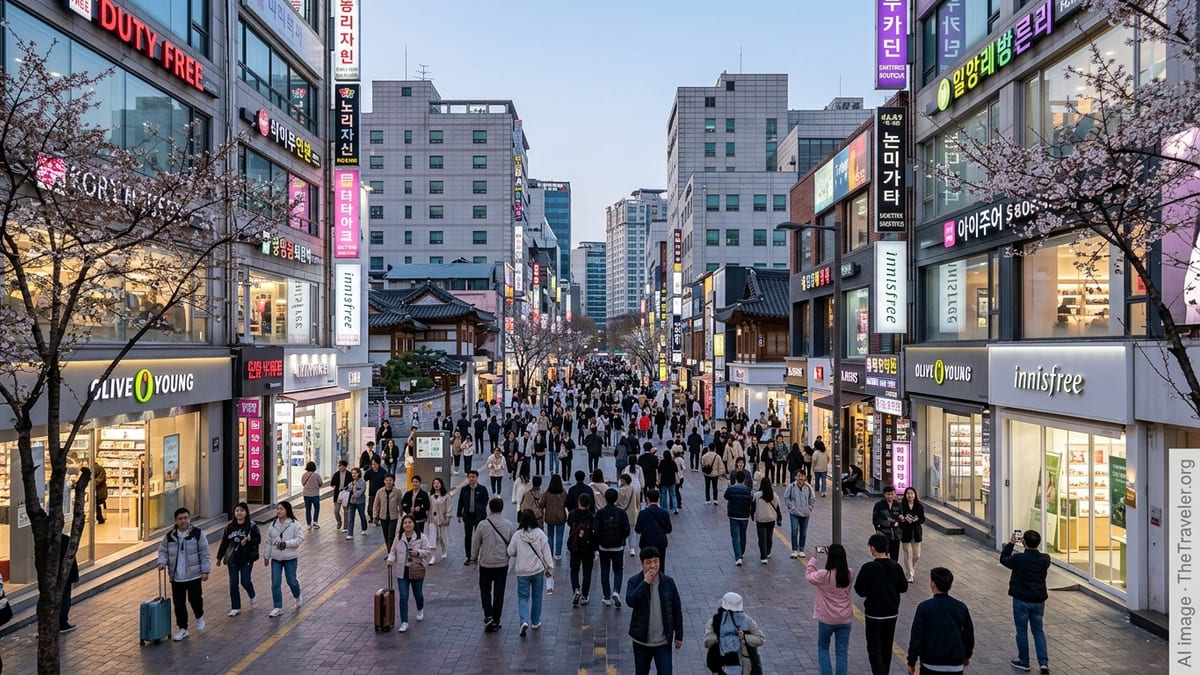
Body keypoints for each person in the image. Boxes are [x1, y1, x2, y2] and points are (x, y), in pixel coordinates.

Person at [854, 533, 909, 675]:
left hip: (874, 614)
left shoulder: (868, 568)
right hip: (892, 613)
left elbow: (860, 590)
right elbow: (903, 587)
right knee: (887, 647)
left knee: (874, 649)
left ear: (872, 548)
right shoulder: (896, 566)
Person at [625, 546, 683, 675]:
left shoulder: (668, 582)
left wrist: (679, 635)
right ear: (642, 564)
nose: (653, 566)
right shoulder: (634, 581)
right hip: (641, 642)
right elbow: (630, 601)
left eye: (656, 561)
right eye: (649, 562)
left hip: (663, 642)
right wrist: (645, 583)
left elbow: (676, 609)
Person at [156, 507, 211, 641]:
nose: (183, 521)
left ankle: (199, 616)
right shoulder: (170, 536)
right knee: (179, 604)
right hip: (176, 576)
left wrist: (205, 571)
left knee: (195, 599)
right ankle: (183, 628)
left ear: (189, 519)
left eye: (185, 518)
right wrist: (161, 562)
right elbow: (163, 551)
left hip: (194, 575)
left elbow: (205, 553)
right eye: (180, 519)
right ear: (176, 520)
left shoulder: (197, 534)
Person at [906, 567, 975, 675]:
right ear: (950, 585)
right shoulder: (960, 607)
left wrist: (911, 662)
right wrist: (966, 655)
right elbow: (968, 635)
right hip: (955, 664)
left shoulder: (924, 607)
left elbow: (916, 637)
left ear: (933, 584)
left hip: (931, 663)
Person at [1001, 529, 1052, 674]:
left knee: (1021, 631)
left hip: (1021, 600)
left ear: (1023, 542)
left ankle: (1024, 661)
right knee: (1038, 631)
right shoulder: (1045, 559)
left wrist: (1011, 544)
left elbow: (1004, 559)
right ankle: (1043, 663)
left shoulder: (1019, 559)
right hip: (1038, 601)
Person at [806, 544, 854, 675]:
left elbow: (809, 574)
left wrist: (814, 557)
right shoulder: (850, 574)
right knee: (842, 652)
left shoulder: (823, 576)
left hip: (826, 619)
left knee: (823, 647)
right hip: (845, 618)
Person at [508, 508, 554, 637]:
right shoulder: (540, 534)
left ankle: (524, 620)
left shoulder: (517, 535)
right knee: (537, 596)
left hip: (522, 571)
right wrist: (550, 566)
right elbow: (546, 551)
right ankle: (535, 621)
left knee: (523, 597)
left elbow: (510, 552)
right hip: (537, 570)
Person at [470, 497, 514, 633]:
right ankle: (496, 619)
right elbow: (512, 547)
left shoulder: (482, 525)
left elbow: (476, 543)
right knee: (499, 592)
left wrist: (473, 558)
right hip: (502, 564)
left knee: (485, 590)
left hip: (486, 563)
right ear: (502, 508)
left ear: (489, 508)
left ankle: (488, 615)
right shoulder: (509, 525)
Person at [387, 514, 433, 633]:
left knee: (417, 594)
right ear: (402, 525)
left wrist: (418, 553)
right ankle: (404, 622)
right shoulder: (399, 537)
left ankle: (420, 609)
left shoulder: (421, 537)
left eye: (410, 522)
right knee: (403, 596)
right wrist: (390, 559)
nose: (407, 524)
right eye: (405, 523)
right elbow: (393, 551)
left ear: (414, 524)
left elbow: (428, 551)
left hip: (416, 569)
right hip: (402, 571)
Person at [702, 591, 766, 675]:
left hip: (743, 668)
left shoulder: (747, 621)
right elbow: (707, 642)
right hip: (722, 665)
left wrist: (745, 637)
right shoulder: (715, 621)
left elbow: (760, 639)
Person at [215, 502, 260, 617]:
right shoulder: (229, 527)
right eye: (237, 511)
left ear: (246, 512)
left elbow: (258, 540)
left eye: (241, 510)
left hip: (247, 558)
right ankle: (235, 607)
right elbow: (224, 543)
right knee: (233, 583)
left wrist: (249, 540)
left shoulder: (251, 526)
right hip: (233, 559)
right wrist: (219, 557)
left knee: (245, 581)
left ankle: (252, 594)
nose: (239, 513)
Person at [263, 501, 304, 618]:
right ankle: (277, 607)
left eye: (281, 509)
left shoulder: (294, 524)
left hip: (290, 557)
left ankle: (297, 595)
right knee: (275, 583)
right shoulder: (273, 525)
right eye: (277, 509)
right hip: (276, 558)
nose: (279, 511)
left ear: (287, 510)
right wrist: (266, 556)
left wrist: (286, 544)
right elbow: (268, 542)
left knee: (291, 580)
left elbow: (300, 538)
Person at [595, 487, 632, 607]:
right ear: (616, 499)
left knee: (604, 570)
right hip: (618, 546)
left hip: (604, 546)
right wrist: (622, 539)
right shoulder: (621, 513)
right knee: (618, 570)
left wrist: (599, 541)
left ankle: (606, 596)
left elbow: (596, 529)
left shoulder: (600, 513)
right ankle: (616, 591)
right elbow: (627, 529)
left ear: (605, 499)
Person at [567, 493, 597, 606]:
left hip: (575, 546)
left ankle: (576, 589)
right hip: (588, 547)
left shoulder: (572, 514)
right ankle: (585, 595)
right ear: (589, 504)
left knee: (574, 570)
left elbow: (570, 524)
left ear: (579, 502)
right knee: (587, 571)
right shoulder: (592, 516)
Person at [635, 488, 673, 571]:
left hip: (646, 543)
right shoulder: (664, 513)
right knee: (660, 563)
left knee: (647, 564)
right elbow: (668, 530)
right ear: (658, 499)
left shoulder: (643, 513)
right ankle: (660, 580)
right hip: (660, 543)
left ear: (647, 499)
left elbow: (637, 529)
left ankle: (648, 580)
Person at [457, 470, 489, 563]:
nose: (471, 478)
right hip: (468, 516)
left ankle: (479, 555)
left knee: (479, 537)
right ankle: (469, 556)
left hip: (479, 516)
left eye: (473, 477)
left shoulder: (482, 489)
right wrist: (459, 514)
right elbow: (460, 502)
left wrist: (480, 509)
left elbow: (485, 501)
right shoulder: (464, 489)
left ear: (477, 477)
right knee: (468, 537)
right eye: (469, 477)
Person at [723, 471, 754, 566]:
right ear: (744, 480)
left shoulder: (731, 489)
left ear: (736, 479)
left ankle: (738, 557)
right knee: (743, 534)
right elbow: (751, 500)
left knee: (735, 536)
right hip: (744, 516)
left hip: (733, 515)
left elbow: (726, 497)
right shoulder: (748, 490)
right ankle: (742, 552)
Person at [784, 471, 816, 559]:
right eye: (799, 476)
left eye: (802, 476)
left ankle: (801, 550)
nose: (800, 478)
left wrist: (809, 508)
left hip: (805, 514)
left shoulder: (808, 487)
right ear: (795, 477)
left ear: (805, 477)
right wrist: (792, 507)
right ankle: (794, 550)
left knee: (803, 532)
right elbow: (786, 498)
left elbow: (812, 498)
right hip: (794, 513)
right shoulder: (791, 487)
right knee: (794, 530)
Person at [751, 476, 782, 565]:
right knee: (769, 537)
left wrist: (752, 515)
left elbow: (753, 507)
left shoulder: (757, 495)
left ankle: (763, 556)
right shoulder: (774, 495)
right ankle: (768, 552)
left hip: (760, 519)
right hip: (771, 519)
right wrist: (779, 518)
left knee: (762, 538)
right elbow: (778, 507)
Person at [899, 487, 926, 583]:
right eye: (908, 494)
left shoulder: (919, 506)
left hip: (916, 532)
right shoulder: (902, 506)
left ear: (915, 495)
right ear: (905, 495)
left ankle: (911, 568)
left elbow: (923, 519)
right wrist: (903, 519)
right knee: (907, 554)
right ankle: (909, 574)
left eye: (912, 493)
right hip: (905, 532)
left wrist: (917, 519)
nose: (910, 495)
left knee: (917, 555)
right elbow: (899, 518)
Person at [541, 473, 569, 561]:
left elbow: (542, 504)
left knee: (550, 535)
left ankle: (550, 553)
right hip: (561, 516)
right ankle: (558, 554)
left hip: (550, 516)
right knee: (560, 536)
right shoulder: (563, 492)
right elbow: (566, 503)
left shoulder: (547, 493)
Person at [57, 533, 80, 631]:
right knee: (65, 599)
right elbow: (71, 559)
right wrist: (74, 576)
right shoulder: (65, 539)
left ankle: (54, 623)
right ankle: (62, 623)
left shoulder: (45, 540)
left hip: (51, 576)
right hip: (63, 575)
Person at [872, 485, 903, 562]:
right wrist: (878, 530)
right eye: (888, 494)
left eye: (892, 494)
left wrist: (899, 523)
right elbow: (875, 520)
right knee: (882, 557)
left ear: (895, 494)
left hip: (896, 535)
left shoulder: (898, 505)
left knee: (895, 558)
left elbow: (901, 518)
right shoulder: (879, 505)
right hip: (883, 535)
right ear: (884, 494)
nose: (890, 496)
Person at [373, 474, 403, 552]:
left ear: (393, 481)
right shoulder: (380, 491)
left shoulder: (397, 491)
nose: (388, 482)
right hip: (383, 516)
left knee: (391, 535)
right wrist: (375, 514)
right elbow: (376, 504)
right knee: (386, 535)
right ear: (384, 481)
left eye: (390, 480)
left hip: (393, 517)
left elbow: (400, 503)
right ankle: (389, 550)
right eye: (387, 480)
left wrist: (401, 514)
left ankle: (391, 552)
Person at [427, 477, 453, 564]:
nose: (436, 485)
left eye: (438, 483)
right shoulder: (430, 496)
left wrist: (447, 518)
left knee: (442, 537)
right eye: (434, 483)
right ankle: (433, 557)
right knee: (432, 538)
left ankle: (444, 550)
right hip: (432, 520)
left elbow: (449, 508)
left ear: (441, 484)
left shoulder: (446, 496)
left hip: (442, 520)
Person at [616, 473, 641, 556]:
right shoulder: (633, 490)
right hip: (632, 514)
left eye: (621, 480)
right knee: (632, 532)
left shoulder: (620, 490)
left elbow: (617, 502)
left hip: (622, 515)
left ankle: (622, 545)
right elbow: (638, 501)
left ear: (624, 481)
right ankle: (632, 549)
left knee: (621, 531)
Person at [345, 468, 368, 539]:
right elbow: (348, 489)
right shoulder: (351, 482)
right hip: (352, 502)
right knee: (350, 518)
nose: (353, 475)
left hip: (360, 502)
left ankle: (364, 528)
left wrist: (355, 495)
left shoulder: (362, 482)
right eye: (352, 473)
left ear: (359, 473)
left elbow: (361, 491)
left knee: (362, 515)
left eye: (355, 473)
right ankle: (350, 534)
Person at [329, 460, 351, 532]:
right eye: (339, 466)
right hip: (337, 494)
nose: (340, 467)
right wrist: (335, 487)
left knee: (346, 510)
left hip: (346, 494)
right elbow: (332, 483)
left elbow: (352, 483)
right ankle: (339, 522)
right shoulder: (336, 474)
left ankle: (345, 525)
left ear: (345, 466)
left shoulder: (349, 474)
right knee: (336, 511)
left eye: (341, 466)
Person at [300, 461, 322, 529]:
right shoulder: (316, 475)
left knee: (308, 509)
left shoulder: (304, 475)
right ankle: (315, 522)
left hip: (306, 494)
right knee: (316, 508)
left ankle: (308, 524)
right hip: (315, 494)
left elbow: (302, 483)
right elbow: (320, 483)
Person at [658, 449, 680, 514]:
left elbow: (659, 471)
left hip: (664, 481)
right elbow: (676, 471)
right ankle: (675, 508)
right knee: (673, 494)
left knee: (664, 495)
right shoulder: (672, 462)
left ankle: (664, 508)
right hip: (672, 480)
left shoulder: (662, 462)